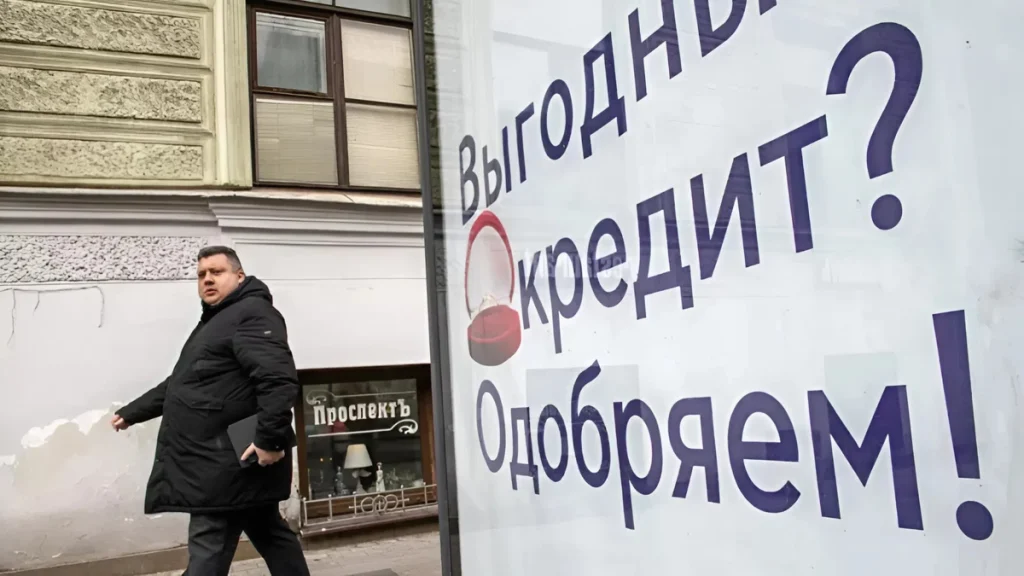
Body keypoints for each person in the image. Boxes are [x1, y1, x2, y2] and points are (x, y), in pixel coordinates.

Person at [110, 246, 310, 576]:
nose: (207, 280)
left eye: (217, 272)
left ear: (239, 276)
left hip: (224, 461)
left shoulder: (251, 314)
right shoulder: (217, 321)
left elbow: (277, 379)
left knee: (209, 545)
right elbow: (184, 383)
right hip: (229, 457)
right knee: (269, 532)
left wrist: (270, 440)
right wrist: (134, 412)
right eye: (202, 274)